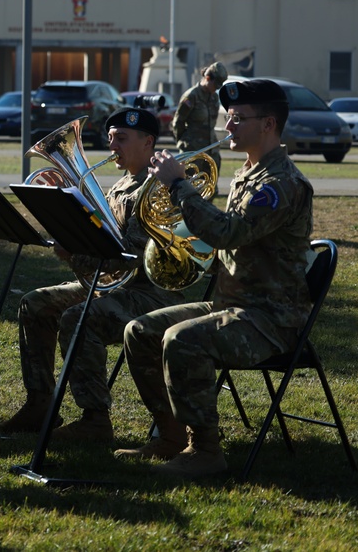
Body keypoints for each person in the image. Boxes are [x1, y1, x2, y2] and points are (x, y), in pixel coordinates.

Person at [118, 79, 313, 478]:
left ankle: (205, 450)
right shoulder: (249, 174)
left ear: (268, 124)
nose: (228, 127)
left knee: (182, 339)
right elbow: (223, 239)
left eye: (239, 119)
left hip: (271, 319)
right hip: (234, 304)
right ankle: (171, 436)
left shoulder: (282, 185)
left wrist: (177, 184)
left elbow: (228, 233)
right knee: (139, 331)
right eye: (229, 117)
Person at [0, 108, 184, 441]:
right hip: (112, 286)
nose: (113, 146)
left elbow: (132, 258)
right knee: (35, 304)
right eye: (110, 138)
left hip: (149, 292)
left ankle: (95, 418)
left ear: (148, 142)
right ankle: (40, 403)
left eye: (121, 139)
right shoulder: (121, 183)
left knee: (77, 318)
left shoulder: (158, 188)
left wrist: (77, 252)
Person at [172, 62, 228, 175]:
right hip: (193, 150)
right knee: (190, 186)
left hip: (211, 149)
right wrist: (184, 143)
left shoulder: (214, 97)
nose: (216, 89)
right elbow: (178, 122)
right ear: (207, 78)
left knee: (211, 186)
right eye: (215, 85)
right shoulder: (191, 96)